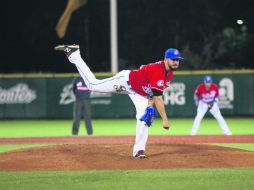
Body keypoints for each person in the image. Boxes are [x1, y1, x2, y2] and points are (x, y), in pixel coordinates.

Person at [54, 44, 183, 158]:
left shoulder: (169, 73)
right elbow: (158, 98)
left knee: (144, 118)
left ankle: (139, 150)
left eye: (178, 60)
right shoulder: (158, 70)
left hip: (140, 93)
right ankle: (75, 55)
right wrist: (165, 119)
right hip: (126, 82)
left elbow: (153, 93)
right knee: (93, 85)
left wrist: (149, 106)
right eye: (173, 60)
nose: (176, 62)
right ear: (166, 59)